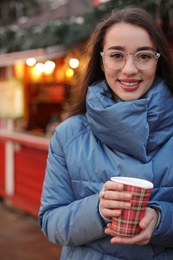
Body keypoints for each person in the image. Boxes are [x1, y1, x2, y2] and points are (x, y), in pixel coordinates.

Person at [38, 6, 173, 260]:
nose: (130, 69)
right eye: (116, 55)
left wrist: (161, 219)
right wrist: (97, 210)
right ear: (101, 61)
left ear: (158, 60)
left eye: (143, 56)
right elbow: (50, 221)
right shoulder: (69, 135)